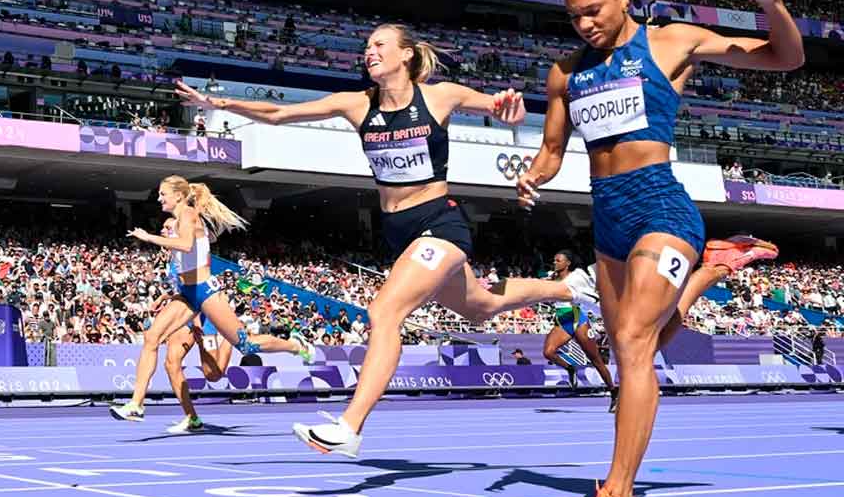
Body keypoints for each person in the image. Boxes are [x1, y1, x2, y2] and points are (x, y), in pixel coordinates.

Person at [176, 23, 598, 458]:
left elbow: (503, 109)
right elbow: (280, 114)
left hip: (440, 223)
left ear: (406, 54)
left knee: (384, 311)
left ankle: (349, 426)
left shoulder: (440, 96)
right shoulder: (357, 104)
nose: (369, 51)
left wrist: (509, 110)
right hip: (399, 231)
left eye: (379, 44)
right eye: (367, 46)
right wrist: (219, 103)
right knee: (482, 305)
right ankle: (575, 288)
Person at [518, 0, 802, 497]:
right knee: (631, 353)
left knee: (631, 339)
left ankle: (619, 495)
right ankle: (710, 270)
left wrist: (770, 3)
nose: (584, 24)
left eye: (593, 11)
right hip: (608, 221)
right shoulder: (565, 73)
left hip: (661, 208)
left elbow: (785, 57)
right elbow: (551, 151)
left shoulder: (671, 42)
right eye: (574, 17)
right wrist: (533, 176)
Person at [111, 177, 315, 422]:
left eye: (163, 193)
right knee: (151, 337)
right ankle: (136, 404)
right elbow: (200, 241)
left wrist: (149, 237)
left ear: (178, 196)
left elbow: (186, 245)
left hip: (205, 291)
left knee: (247, 346)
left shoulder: (187, 214)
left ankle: (296, 346)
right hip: (187, 294)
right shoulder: (184, 218)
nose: (159, 198)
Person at [542, 250, 617, 411]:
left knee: (596, 360)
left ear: (567, 263)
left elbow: (591, 294)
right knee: (548, 352)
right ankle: (570, 368)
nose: (555, 262)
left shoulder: (576, 277)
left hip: (577, 319)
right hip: (562, 320)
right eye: (554, 260)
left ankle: (613, 392)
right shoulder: (552, 278)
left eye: (558, 260)